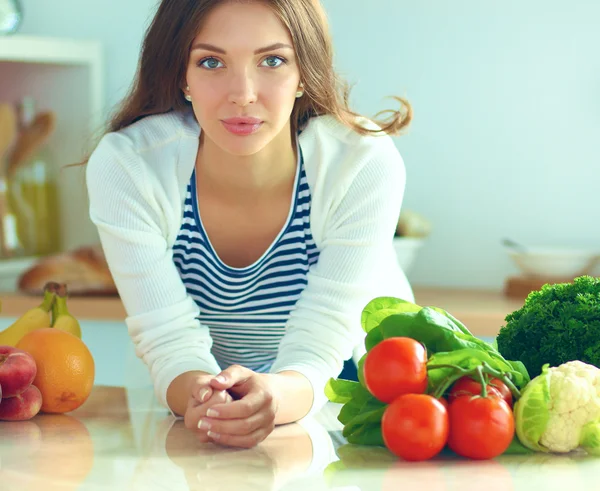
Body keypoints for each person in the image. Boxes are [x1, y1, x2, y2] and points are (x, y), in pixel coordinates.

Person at [85, 0, 414, 449]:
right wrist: (202, 395)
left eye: (272, 61)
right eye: (211, 62)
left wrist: (275, 396)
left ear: (304, 73)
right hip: (192, 394)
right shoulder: (129, 166)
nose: (242, 93)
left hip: (349, 393)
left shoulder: (361, 164)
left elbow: (324, 338)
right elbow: (166, 336)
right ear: (182, 74)